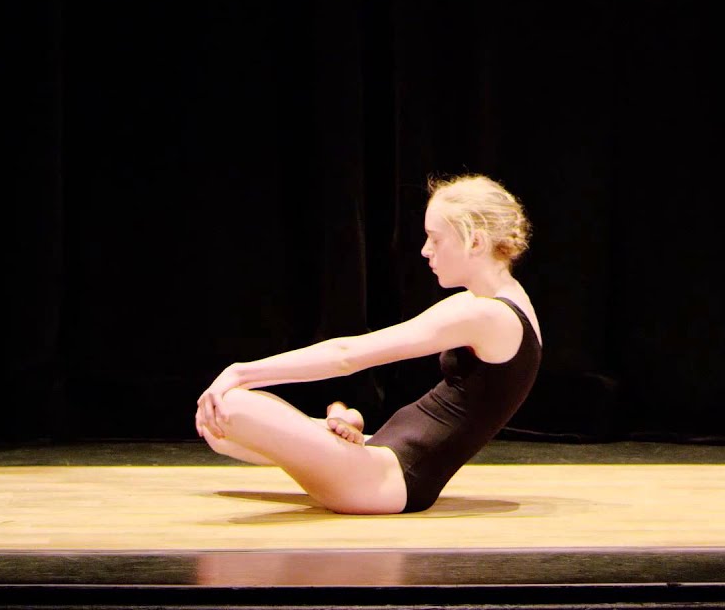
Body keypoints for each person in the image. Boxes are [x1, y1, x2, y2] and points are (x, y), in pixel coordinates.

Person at [195, 173, 542, 514]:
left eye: (435, 239)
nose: (425, 251)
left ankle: (335, 440)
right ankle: (344, 432)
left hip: (384, 481)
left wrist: (239, 372)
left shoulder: (488, 316)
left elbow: (347, 355)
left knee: (232, 407)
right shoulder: (495, 303)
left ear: (476, 243)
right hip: (378, 455)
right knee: (219, 431)